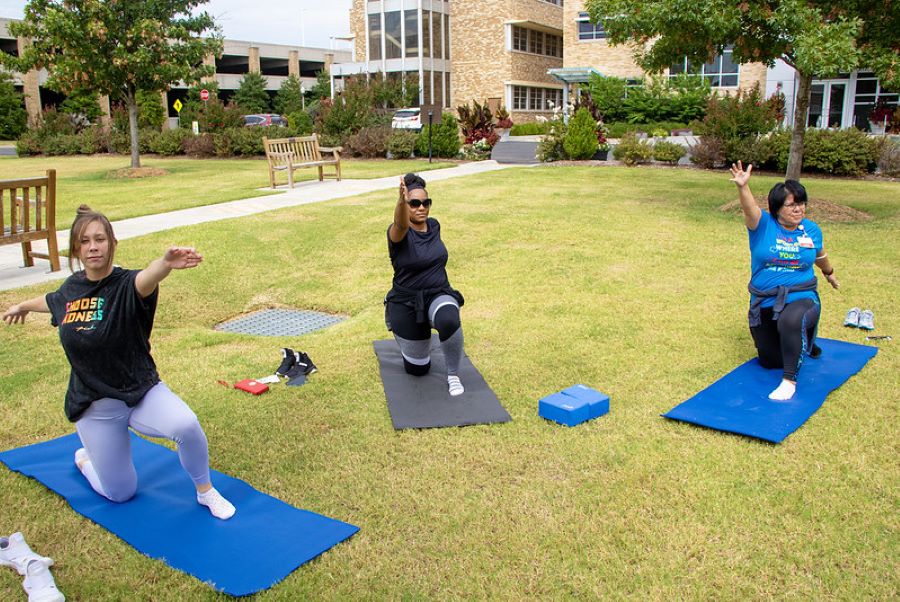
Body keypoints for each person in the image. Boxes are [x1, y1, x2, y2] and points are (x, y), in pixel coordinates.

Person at [3, 206, 235, 519]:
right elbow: (51, 301)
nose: (93, 246)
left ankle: (205, 491)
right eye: (85, 241)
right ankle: (86, 460)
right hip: (95, 405)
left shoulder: (128, 285)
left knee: (186, 424)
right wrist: (22, 305)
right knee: (121, 493)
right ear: (77, 248)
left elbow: (148, 276)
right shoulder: (71, 289)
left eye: (100, 239)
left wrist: (166, 263)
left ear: (113, 243)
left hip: (140, 392)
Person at [729, 162, 839, 400]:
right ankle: (806, 343)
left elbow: (819, 254)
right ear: (777, 208)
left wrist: (829, 272)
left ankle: (789, 382)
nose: (798, 209)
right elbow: (749, 209)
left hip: (802, 295)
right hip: (766, 299)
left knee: (791, 320)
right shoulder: (763, 225)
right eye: (791, 205)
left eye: (801, 203)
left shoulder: (810, 230)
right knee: (770, 361)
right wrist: (743, 186)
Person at [385, 173, 467, 396]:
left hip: (437, 292)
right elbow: (400, 223)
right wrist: (401, 201)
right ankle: (411, 337)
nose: (421, 207)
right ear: (406, 205)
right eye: (414, 203)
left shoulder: (434, 226)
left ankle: (453, 375)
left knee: (449, 318)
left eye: (425, 202)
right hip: (406, 302)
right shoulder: (398, 233)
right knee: (418, 369)